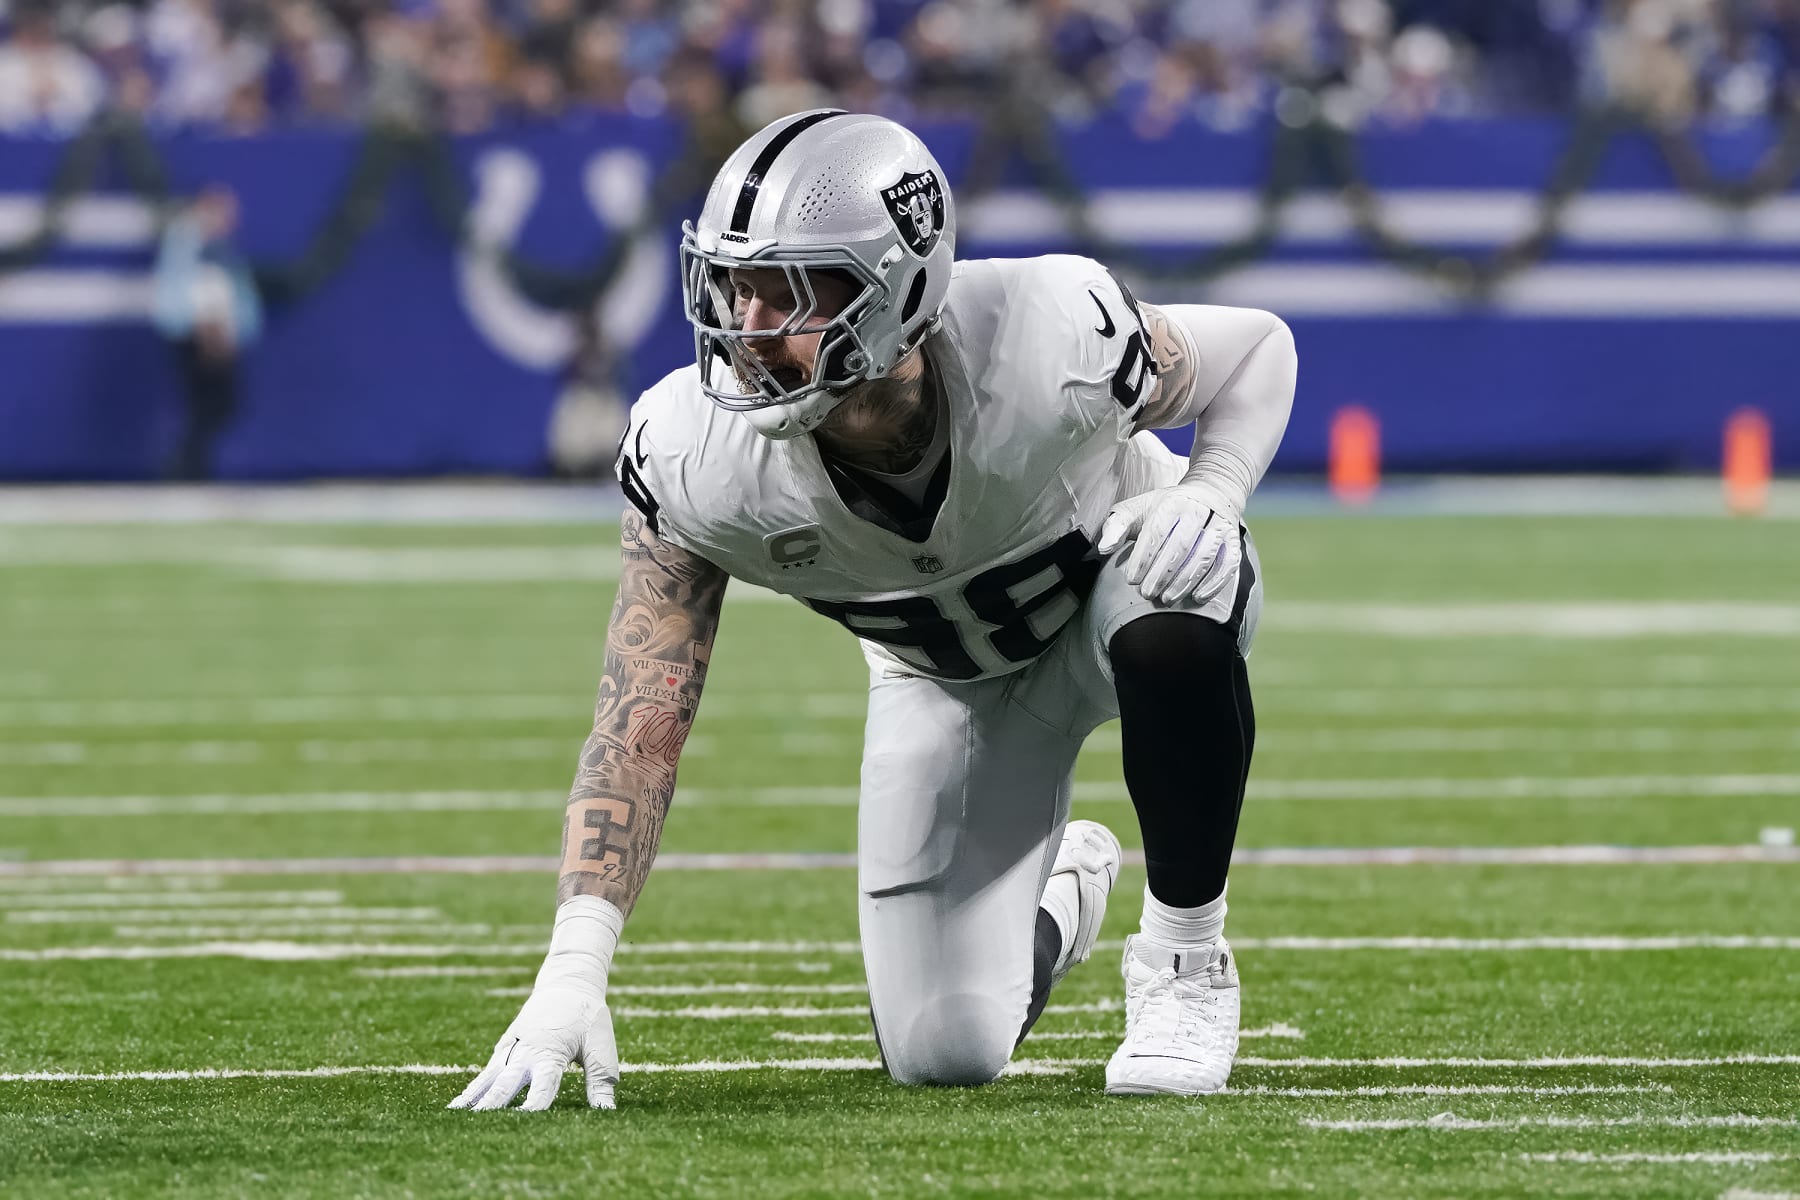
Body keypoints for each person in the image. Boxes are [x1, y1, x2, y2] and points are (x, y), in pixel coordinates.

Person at [450, 109, 1295, 1111]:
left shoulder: (1051, 327)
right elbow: (639, 718)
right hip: (947, 685)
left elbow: (1255, 351)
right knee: (944, 1052)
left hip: (1118, 590)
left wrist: (1214, 490)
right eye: (735, 286)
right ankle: (1065, 891)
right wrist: (574, 965)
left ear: (898, 290)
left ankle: (1185, 965)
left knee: (1176, 594)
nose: (748, 327)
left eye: (790, 293)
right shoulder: (694, 455)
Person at [151, 186, 262, 481]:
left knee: (218, 404)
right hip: (197, 335)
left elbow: (236, 293)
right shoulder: (191, 242)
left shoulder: (221, 246)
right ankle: (186, 466)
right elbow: (189, 289)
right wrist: (201, 328)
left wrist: (239, 329)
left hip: (219, 335)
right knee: (206, 401)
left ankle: (190, 463)